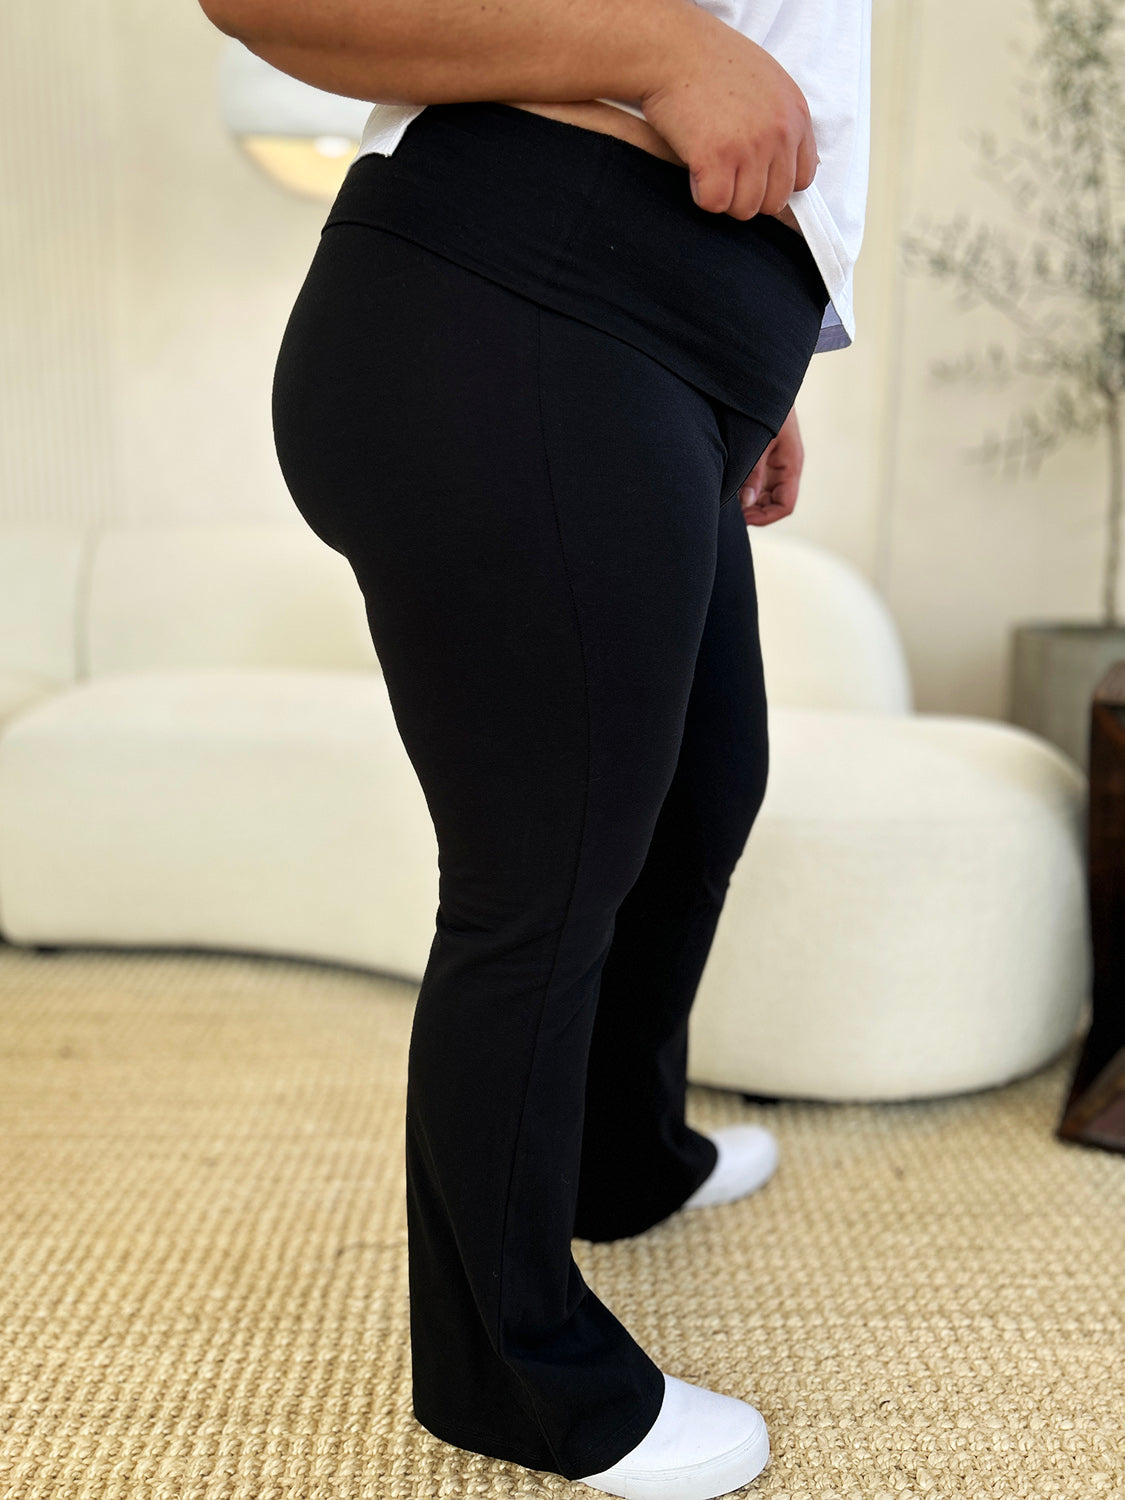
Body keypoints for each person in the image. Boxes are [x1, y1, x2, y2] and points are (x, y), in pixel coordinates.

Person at [198, 1, 871, 1495]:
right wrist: (662, 53)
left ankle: (617, 1160)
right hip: (521, 302)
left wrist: (759, 368)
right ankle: (518, 1376)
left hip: (655, 346)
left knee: (704, 788)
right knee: (541, 873)